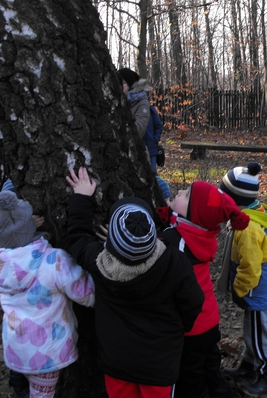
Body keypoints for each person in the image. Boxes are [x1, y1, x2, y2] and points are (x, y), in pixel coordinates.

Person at [63, 167, 204, 398]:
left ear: (109, 241)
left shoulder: (99, 262)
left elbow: (77, 238)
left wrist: (81, 197)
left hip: (117, 363)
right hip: (160, 365)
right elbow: (194, 302)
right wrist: (178, 329)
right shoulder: (174, 263)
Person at [0, 190, 96, 398]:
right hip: (46, 354)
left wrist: (25, 229)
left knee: (21, 389)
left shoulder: (1, 266)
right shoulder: (53, 261)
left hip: (17, 350)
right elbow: (86, 293)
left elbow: (12, 236)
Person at [158, 180, 250, 398]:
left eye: (187, 195)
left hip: (192, 327)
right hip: (209, 319)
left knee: (191, 381)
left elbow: (155, 246)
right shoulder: (203, 234)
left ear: (193, 214)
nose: (179, 191)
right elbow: (178, 222)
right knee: (211, 370)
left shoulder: (174, 243)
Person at [219, 163, 267, 397]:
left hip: (256, 290)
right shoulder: (254, 213)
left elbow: (250, 267)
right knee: (251, 331)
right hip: (261, 288)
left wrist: (239, 289)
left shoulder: (248, 228)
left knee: (258, 334)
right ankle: (248, 363)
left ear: (234, 200)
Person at [118, 67, 151, 139]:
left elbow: (139, 129)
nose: (119, 85)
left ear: (130, 84)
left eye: (123, 82)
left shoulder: (142, 102)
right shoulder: (117, 99)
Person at [144, 102, 163, 173]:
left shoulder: (151, 110)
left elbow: (158, 126)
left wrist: (155, 138)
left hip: (151, 146)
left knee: (153, 172)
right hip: (141, 146)